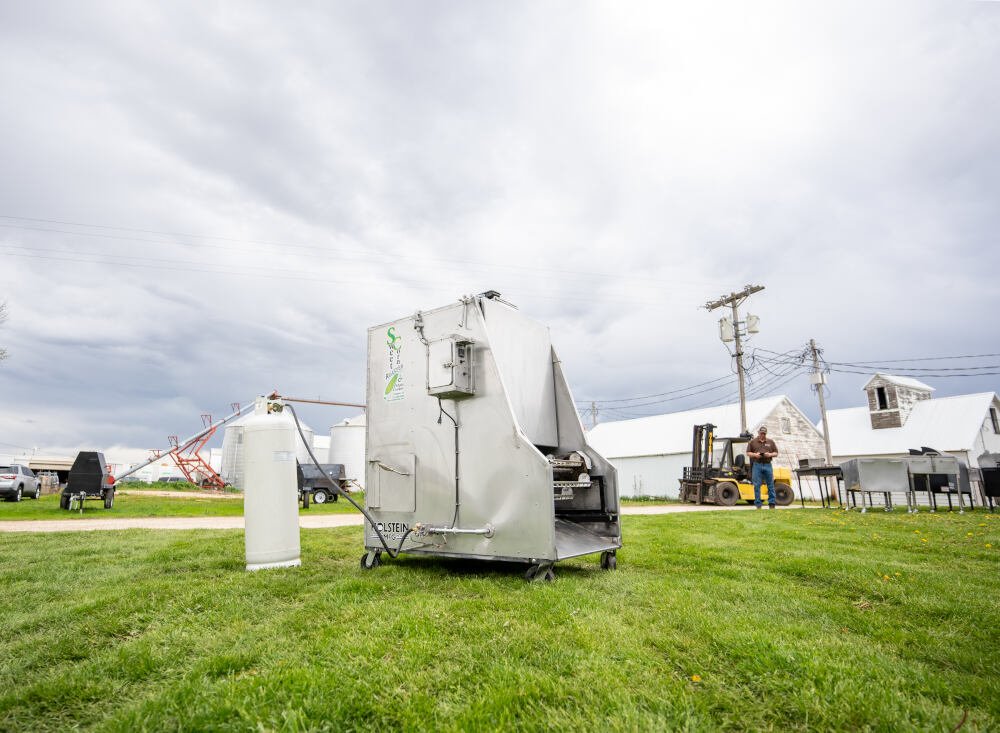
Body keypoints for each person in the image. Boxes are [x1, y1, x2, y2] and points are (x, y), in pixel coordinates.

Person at [747, 425, 778, 509]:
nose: (762, 435)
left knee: (770, 484)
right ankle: (758, 504)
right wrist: (755, 455)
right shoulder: (752, 442)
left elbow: (776, 453)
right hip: (757, 465)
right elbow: (748, 453)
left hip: (768, 465)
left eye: (764, 434)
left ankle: (772, 504)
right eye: (761, 433)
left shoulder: (771, 442)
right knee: (757, 485)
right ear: (758, 433)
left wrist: (770, 454)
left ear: (766, 434)